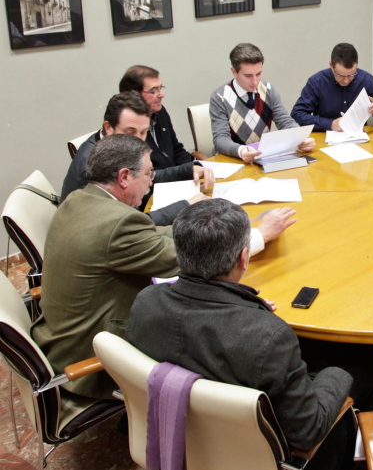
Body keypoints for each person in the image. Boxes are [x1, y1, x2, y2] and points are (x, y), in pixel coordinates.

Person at [35, 135, 298, 400]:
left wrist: (219, 230)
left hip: (62, 337)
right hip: (93, 358)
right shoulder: (117, 225)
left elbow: (151, 234)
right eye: (148, 174)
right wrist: (258, 235)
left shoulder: (81, 200)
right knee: (223, 330)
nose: (151, 181)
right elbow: (189, 260)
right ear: (124, 177)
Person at [128, 199, 365, 470]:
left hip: (173, 440)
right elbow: (307, 431)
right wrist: (338, 373)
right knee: (362, 372)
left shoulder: (145, 302)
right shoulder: (268, 335)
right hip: (256, 456)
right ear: (244, 258)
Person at [60, 92, 212, 225]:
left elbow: (145, 177)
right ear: (108, 128)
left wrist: (187, 170)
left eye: (144, 132)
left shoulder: (117, 148)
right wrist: (185, 206)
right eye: (130, 132)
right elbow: (131, 224)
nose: (139, 140)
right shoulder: (93, 168)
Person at [210, 43, 315, 163]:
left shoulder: (268, 90)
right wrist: (241, 150)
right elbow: (220, 139)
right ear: (234, 72)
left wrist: (302, 139)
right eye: (248, 76)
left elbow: (284, 121)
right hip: (232, 160)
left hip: (261, 157)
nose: (255, 81)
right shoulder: (220, 97)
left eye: (258, 74)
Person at [291, 42, 373, 132]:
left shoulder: (367, 80)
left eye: (351, 75)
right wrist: (330, 124)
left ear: (357, 63)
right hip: (324, 137)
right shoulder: (317, 81)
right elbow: (297, 115)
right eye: (340, 75)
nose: (346, 80)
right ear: (331, 65)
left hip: (359, 138)